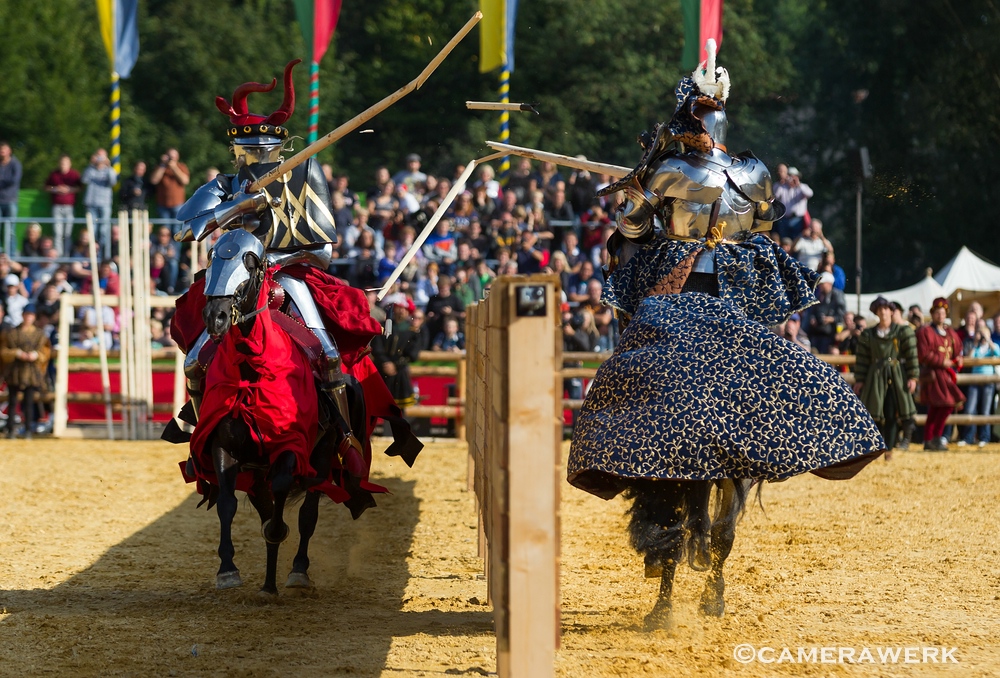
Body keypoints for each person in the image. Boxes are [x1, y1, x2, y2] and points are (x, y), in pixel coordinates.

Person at [563, 46, 884, 626]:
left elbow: (630, 227)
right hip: (734, 302)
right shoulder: (755, 172)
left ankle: (630, 467)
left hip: (675, 302)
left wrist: (647, 175)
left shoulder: (667, 171)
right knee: (782, 365)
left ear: (685, 120)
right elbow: (759, 228)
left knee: (624, 379)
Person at [172, 60, 369, 454]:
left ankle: (345, 436)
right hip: (231, 277)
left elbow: (323, 251)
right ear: (235, 150)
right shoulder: (224, 185)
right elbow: (183, 228)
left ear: (278, 149)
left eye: (262, 150)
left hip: (285, 277)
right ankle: (202, 439)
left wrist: (271, 261)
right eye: (247, 150)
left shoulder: (304, 174)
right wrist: (236, 206)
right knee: (195, 362)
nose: (254, 157)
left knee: (327, 355)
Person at [853, 296, 919, 453]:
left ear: (891, 311)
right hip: (876, 377)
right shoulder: (869, 334)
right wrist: (860, 380)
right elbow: (862, 359)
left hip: (896, 375)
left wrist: (913, 377)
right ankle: (877, 446)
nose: (883, 312)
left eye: (885, 309)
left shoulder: (902, 331)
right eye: (879, 309)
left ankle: (893, 444)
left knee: (895, 409)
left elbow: (911, 355)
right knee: (877, 411)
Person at [916, 297, 965, 450]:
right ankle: (930, 439)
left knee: (947, 406)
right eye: (937, 313)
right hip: (934, 374)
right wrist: (940, 361)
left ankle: (935, 437)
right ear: (933, 314)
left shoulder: (950, 332)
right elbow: (923, 353)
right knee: (937, 406)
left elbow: (958, 348)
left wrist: (959, 357)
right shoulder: (926, 331)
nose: (940, 316)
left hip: (947, 375)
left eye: (943, 313)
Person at [0, 304, 51, 438]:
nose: (28, 318)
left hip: (31, 372)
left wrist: (36, 355)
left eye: (31, 315)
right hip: (14, 371)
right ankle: (10, 430)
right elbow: (3, 351)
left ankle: (28, 429)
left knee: (28, 402)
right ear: (23, 315)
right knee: (12, 402)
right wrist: (16, 353)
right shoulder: (11, 333)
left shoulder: (40, 335)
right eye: (27, 315)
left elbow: (45, 352)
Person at [958, 320, 999, 447]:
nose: (982, 336)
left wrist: (989, 340)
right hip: (974, 380)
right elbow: (969, 358)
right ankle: (968, 437)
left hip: (988, 382)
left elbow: (998, 354)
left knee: (985, 410)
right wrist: (976, 343)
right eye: (979, 333)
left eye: (984, 333)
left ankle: (984, 437)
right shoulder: (975, 348)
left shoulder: (992, 347)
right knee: (970, 409)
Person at [81, 148, 118, 260]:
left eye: (102, 156)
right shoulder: (90, 169)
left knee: (104, 230)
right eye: (98, 156)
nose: (100, 159)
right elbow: (84, 180)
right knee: (92, 231)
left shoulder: (109, 170)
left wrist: (109, 166)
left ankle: (104, 256)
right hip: (91, 203)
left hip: (104, 203)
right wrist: (91, 165)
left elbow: (113, 182)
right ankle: (93, 255)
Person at [44, 154, 82, 255]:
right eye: (61, 163)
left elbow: (80, 188)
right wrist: (56, 189)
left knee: (67, 233)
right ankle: (59, 255)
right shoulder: (54, 175)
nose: (63, 165)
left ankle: (67, 254)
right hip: (57, 207)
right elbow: (47, 187)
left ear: (69, 164)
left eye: (65, 163)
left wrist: (69, 189)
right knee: (58, 233)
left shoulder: (74, 175)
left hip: (69, 207)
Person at [805, 270, 846, 353]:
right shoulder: (819, 296)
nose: (820, 286)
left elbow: (842, 315)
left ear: (829, 283)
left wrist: (831, 319)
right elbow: (813, 311)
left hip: (831, 335)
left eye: (822, 284)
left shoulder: (837, 295)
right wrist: (813, 319)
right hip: (817, 333)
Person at [150, 148, 190, 226]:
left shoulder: (181, 167)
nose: (171, 158)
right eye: (169, 156)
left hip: (178, 204)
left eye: (173, 156)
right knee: (165, 228)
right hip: (163, 204)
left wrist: (174, 167)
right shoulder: (160, 167)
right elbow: (154, 180)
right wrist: (162, 165)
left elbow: (185, 181)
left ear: (177, 157)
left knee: (177, 229)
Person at [773, 165, 813, 241]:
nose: (792, 178)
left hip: (798, 219)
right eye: (790, 176)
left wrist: (798, 185)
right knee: (784, 240)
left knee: (797, 240)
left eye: (795, 176)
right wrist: (782, 183)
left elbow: (810, 194)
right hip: (784, 218)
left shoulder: (802, 187)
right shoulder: (781, 186)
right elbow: (775, 196)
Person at [0, 141, 22, 246]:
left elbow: (14, 180)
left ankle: (11, 256)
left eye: (4, 149)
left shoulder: (15, 164)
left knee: (10, 231)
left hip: (11, 201)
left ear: (9, 151)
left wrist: (2, 180)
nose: (2, 152)